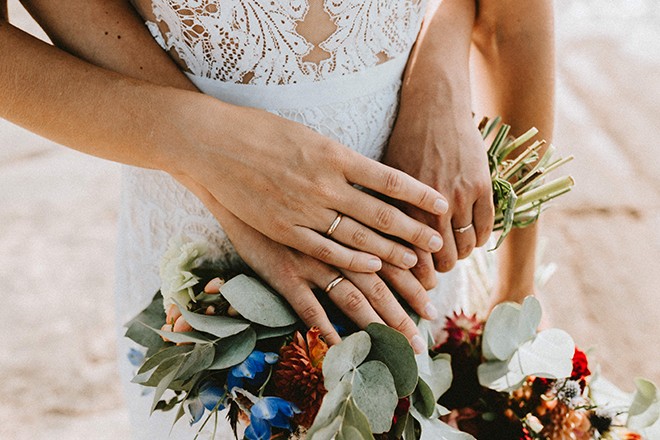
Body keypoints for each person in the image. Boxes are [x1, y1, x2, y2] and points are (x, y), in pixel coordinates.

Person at [1, 0, 554, 438]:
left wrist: (440, 66)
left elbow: (515, 20)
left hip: (412, 254)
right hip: (205, 278)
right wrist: (201, 148)